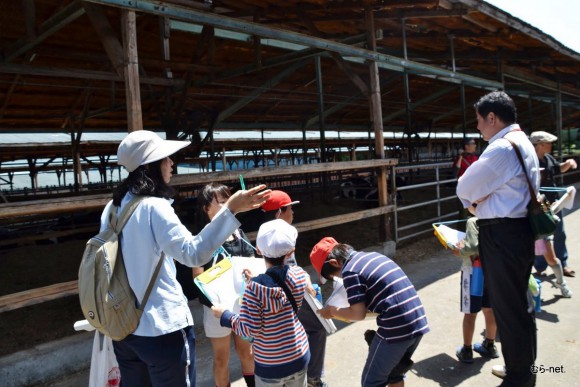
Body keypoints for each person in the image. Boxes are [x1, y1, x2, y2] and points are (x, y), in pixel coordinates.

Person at [107, 130, 270, 386]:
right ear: (151, 164)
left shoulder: (112, 208)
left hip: (123, 327)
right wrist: (231, 209)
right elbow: (193, 253)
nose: (172, 163)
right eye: (166, 158)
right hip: (161, 328)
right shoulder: (154, 206)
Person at [456, 91, 540, 386]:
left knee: (508, 308)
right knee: (519, 305)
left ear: (492, 117)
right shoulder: (524, 142)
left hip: (502, 233)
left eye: (480, 120)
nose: (478, 127)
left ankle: (519, 377)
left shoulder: (502, 148)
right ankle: (523, 368)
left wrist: (475, 199)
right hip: (518, 230)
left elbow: (464, 187)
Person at [312, 237, 429, 387]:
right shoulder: (372, 256)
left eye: (334, 276)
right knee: (394, 374)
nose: (338, 279)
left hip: (396, 328)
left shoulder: (350, 271)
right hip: (417, 321)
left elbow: (357, 314)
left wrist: (332, 311)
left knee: (371, 382)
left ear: (335, 263)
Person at [211, 219, 311, 387]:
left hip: (270, 364)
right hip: (299, 355)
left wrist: (225, 316)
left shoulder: (254, 290)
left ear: (258, 249)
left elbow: (249, 329)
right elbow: (279, 290)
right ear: (291, 251)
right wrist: (253, 282)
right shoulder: (299, 275)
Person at [188, 183, 257, 387]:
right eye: (221, 202)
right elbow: (197, 275)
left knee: (247, 352)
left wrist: (250, 274)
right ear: (205, 208)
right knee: (221, 358)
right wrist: (216, 302)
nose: (227, 205)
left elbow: (251, 259)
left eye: (228, 200)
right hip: (216, 308)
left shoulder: (237, 232)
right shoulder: (201, 238)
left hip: (242, 303)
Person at [262, 190, 328, 387]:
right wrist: (303, 278)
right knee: (318, 327)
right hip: (288, 292)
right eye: (290, 208)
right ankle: (314, 379)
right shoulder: (279, 239)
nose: (293, 212)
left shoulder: (266, 236)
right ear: (279, 213)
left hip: (281, 294)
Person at [450, 217, 499, 363]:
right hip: (492, 271)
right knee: (489, 310)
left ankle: (467, 350)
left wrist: (458, 250)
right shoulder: (499, 217)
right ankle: (490, 345)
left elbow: (471, 248)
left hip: (473, 272)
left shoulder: (474, 221)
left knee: (470, 313)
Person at [530, 130, 577, 280]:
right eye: (548, 143)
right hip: (540, 206)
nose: (551, 145)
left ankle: (563, 264)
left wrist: (567, 164)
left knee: (559, 233)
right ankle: (540, 266)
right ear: (540, 144)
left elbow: (558, 169)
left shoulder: (549, 158)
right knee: (541, 236)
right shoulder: (530, 161)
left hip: (556, 203)